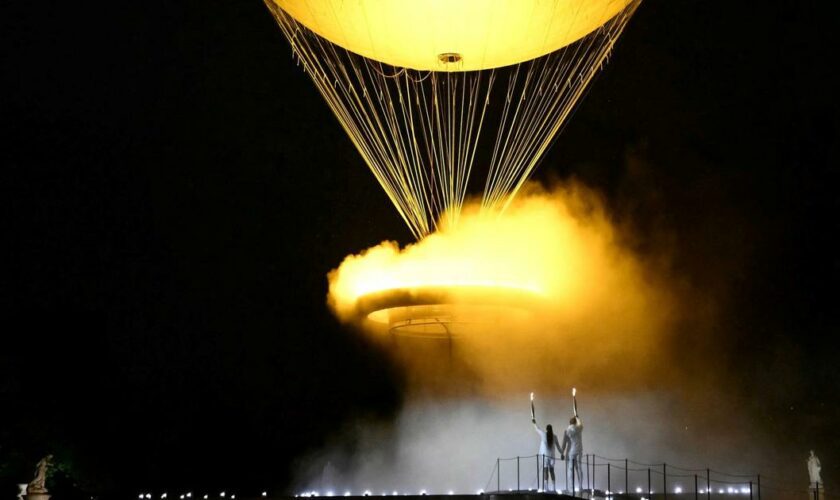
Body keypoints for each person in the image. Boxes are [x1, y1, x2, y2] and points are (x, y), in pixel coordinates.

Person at [532, 417, 562, 492]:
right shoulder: (554, 436)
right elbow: (558, 446)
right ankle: (554, 488)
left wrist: (534, 423)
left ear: (546, 429)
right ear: (552, 429)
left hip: (545, 457)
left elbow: (537, 429)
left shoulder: (543, 434)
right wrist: (562, 454)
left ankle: (546, 488)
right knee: (552, 471)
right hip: (552, 457)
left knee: (545, 471)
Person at [561, 417, 583, 493]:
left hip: (571, 451)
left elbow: (564, 443)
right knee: (579, 468)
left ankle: (571, 488)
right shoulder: (579, 428)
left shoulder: (567, 430)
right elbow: (580, 424)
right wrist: (578, 418)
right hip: (580, 449)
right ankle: (581, 487)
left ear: (569, 422)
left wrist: (562, 453)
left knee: (570, 469)